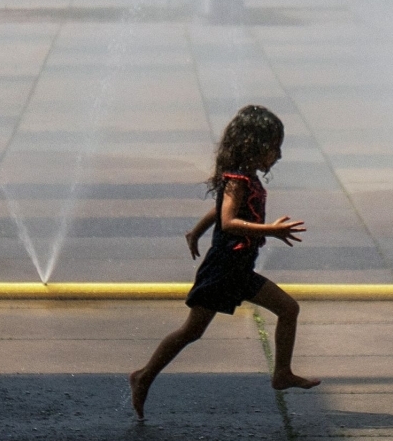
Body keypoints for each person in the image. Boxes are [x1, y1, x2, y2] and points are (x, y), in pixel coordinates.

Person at [129, 105, 320, 419]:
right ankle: (144, 376)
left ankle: (282, 373)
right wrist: (271, 230)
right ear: (254, 145)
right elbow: (229, 221)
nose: (279, 156)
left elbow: (217, 213)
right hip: (223, 268)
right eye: (275, 147)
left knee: (289, 309)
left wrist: (196, 231)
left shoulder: (247, 178)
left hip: (239, 268)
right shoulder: (237, 179)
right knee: (191, 331)